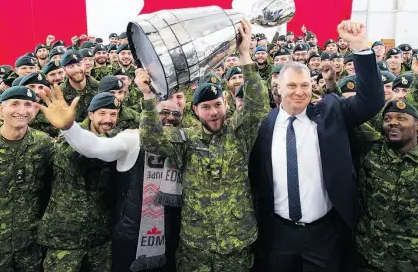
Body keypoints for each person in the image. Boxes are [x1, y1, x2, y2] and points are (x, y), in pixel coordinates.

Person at [249, 20, 385, 271]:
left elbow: (372, 101)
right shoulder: (263, 126)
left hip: (324, 234)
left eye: (305, 85)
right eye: (291, 85)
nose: (299, 92)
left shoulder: (330, 111)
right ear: (277, 86)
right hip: (279, 233)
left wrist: (358, 46)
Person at [136, 18, 269, 271]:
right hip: (197, 244)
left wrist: (244, 54)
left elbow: (257, 106)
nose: (213, 112)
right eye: (206, 107)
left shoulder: (239, 134)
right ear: (195, 110)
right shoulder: (186, 139)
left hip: (236, 242)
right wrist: (148, 97)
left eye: (217, 104)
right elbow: (151, 140)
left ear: (226, 104)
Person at [38, 93, 122, 272]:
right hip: (65, 238)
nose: (108, 119)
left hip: (100, 238)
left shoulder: (119, 139)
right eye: (102, 113)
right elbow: (75, 159)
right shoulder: (68, 136)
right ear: (90, 114)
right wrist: (69, 128)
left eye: (113, 114)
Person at [0, 86, 54, 271]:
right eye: (15, 104)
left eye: (28, 104)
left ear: (35, 109)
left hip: (30, 245)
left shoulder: (44, 144)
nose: (21, 111)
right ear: (1, 109)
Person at [355, 100, 418, 272]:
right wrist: (331, 86)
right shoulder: (372, 150)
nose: (393, 122)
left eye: (402, 118)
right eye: (388, 119)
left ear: (416, 125)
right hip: (370, 258)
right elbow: (351, 117)